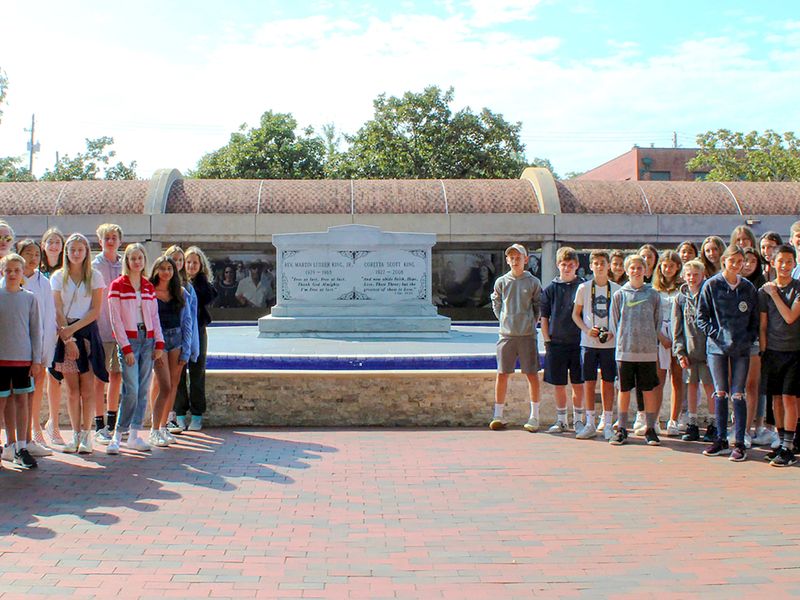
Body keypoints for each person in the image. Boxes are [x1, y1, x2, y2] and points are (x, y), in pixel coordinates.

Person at [697, 245, 758, 462]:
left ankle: (739, 442)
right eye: (732, 261)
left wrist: (747, 339)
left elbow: (754, 321)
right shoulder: (712, 285)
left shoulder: (748, 288)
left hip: (741, 349)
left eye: (740, 262)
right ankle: (721, 439)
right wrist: (717, 334)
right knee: (720, 392)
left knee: (738, 393)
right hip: (716, 348)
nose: (736, 265)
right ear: (724, 261)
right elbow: (701, 317)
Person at [50, 233, 108, 454]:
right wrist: (68, 339)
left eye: (80, 249)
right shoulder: (58, 276)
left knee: (88, 389)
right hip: (66, 335)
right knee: (72, 390)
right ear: (66, 252)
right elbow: (57, 309)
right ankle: (74, 435)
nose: (76, 253)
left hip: (86, 333)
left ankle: (87, 435)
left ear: (86, 252)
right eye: (72, 249)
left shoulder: (94, 277)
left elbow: (95, 310)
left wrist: (71, 332)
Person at [107, 243, 164, 454]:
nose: (137, 262)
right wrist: (126, 347)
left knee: (142, 390)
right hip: (129, 342)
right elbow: (116, 320)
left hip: (147, 340)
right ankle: (117, 435)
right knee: (130, 390)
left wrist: (159, 342)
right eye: (133, 258)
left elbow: (154, 317)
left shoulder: (148, 287)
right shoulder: (117, 285)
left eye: (140, 258)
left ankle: (134, 435)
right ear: (127, 261)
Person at [608, 255, 661, 446]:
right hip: (625, 351)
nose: (636, 271)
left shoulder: (653, 294)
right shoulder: (620, 295)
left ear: (645, 270)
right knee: (623, 389)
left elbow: (657, 321)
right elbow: (614, 323)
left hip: (647, 352)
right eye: (632, 268)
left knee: (648, 390)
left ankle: (650, 428)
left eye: (640, 268)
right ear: (627, 270)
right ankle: (621, 428)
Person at [488, 244, 542, 431]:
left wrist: (531, 322)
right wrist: (504, 319)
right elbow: (496, 301)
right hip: (506, 335)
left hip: (527, 335)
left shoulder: (533, 282)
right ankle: (498, 415)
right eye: (511, 257)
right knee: (502, 374)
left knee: (531, 374)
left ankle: (534, 416)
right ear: (507, 260)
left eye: (518, 257)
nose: (515, 260)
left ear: (525, 259)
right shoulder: (502, 282)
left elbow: (538, 306)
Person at [0, 253, 43, 469]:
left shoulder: (29, 298)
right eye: (8, 270)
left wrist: (36, 359)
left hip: (22, 359)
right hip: (1, 359)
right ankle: (6, 444)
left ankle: (22, 447)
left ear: (22, 273)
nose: (12, 274)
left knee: (23, 401)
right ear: (2, 272)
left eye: (17, 270)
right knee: (2, 402)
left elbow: (36, 330)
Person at [758, 245, 800, 466]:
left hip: (795, 352)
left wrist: (774, 293)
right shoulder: (763, 292)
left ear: (794, 264)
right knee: (775, 399)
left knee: (789, 398)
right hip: (773, 353)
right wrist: (764, 351)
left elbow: (791, 317)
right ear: (773, 263)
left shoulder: (797, 288)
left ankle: (789, 446)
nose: (784, 265)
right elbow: (763, 326)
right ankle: (781, 440)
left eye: (789, 261)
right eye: (780, 261)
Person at [16, 239, 57, 457]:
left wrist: (44, 352)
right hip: (15, 349)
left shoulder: (45, 283)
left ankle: (31, 436)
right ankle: (14, 441)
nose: (32, 258)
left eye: (36, 254)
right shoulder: (10, 280)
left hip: (38, 348)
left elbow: (49, 317)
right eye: (28, 253)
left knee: (34, 392)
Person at [571, 250, 619, 440]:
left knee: (608, 383)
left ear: (609, 265)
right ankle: (590, 422)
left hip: (610, 344)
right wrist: (585, 329)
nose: (599, 266)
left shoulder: (616, 289)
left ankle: (607, 423)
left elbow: (620, 317)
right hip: (589, 343)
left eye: (602, 263)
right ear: (590, 266)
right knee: (588, 383)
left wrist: (612, 332)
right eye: (596, 263)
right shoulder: (584, 288)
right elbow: (575, 314)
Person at [171, 246, 217, 432]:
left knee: (197, 372)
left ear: (201, 265)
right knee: (178, 375)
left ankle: (197, 415)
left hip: (197, 331)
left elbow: (208, 297)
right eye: (187, 262)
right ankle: (180, 414)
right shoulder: (173, 282)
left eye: (194, 263)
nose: (190, 265)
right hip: (177, 334)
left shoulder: (204, 286)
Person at [541, 246, 585, 433]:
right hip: (557, 343)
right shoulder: (550, 289)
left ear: (576, 266)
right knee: (559, 384)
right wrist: (547, 341)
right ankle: (561, 420)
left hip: (578, 343)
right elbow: (544, 317)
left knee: (578, 383)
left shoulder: (583, 287)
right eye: (563, 264)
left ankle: (578, 420)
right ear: (558, 265)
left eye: (570, 264)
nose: (567, 268)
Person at [149, 256, 192, 447]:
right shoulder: (149, 291)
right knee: (161, 383)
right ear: (156, 270)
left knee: (173, 384)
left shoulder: (180, 292)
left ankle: (164, 425)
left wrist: (187, 348)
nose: (166, 272)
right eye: (162, 268)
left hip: (176, 340)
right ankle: (154, 426)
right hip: (158, 340)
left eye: (169, 268)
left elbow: (187, 321)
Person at [672, 260, 716, 442]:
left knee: (710, 386)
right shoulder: (680, 298)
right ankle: (692, 423)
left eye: (696, 274)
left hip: (707, 352)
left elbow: (715, 323)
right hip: (689, 352)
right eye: (688, 274)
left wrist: (713, 350)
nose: (692, 278)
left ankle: (714, 423)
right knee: (691, 386)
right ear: (683, 276)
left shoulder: (709, 295)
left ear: (703, 275)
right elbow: (677, 326)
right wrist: (680, 351)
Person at [91, 223, 124, 446]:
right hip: (101, 330)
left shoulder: (125, 263)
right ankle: (99, 424)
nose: (110, 241)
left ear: (120, 240)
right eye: (107, 237)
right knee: (99, 378)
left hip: (121, 332)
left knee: (117, 376)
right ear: (100, 241)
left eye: (114, 237)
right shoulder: (94, 266)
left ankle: (113, 422)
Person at [39, 228, 67, 446]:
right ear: (43, 245)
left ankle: (53, 423)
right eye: (51, 242)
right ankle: (33, 426)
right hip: (40, 329)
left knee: (55, 377)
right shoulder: (37, 271)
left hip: (61, 329)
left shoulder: (66, 271)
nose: (54, 246)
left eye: (58, 242)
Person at [652, 250, 684, 437]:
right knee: (659, 379)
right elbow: (651, 316)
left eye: (672, 265)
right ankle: (654, 419)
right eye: (665, 265)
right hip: (660, 337)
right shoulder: (654, 290)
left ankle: (674, 420)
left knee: (677, 379)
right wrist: (660, 336)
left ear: (678, 267)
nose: (668, 269)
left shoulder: (683, 288)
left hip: (678, 334)